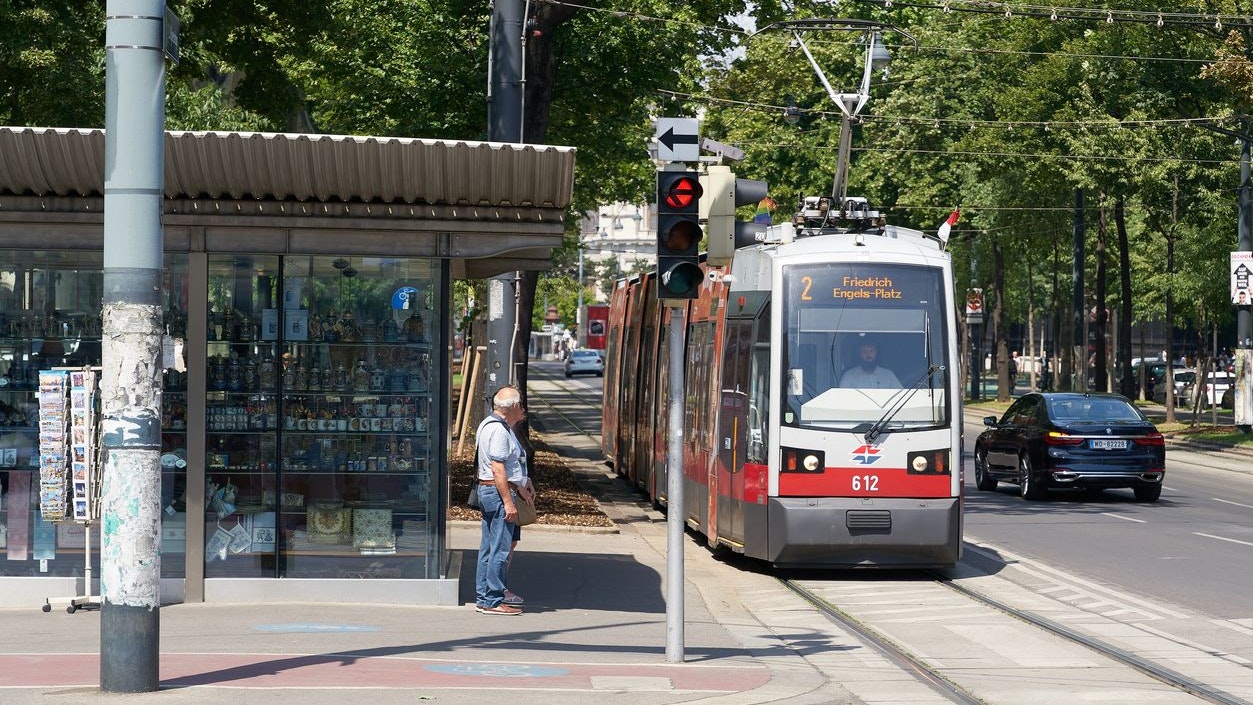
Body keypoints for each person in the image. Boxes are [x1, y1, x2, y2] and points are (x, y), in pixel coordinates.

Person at [473, 386, 533, 615]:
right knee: (499, 549)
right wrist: (508, 502)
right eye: (521, 405)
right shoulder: (499, 431)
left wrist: (522, 481)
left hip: (490, 492)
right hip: (498, 494)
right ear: (514, 407)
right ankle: (493, 600)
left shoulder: (489, 424)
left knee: (489, 548)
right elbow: (498, 469)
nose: (523, 409)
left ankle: (485, 597)